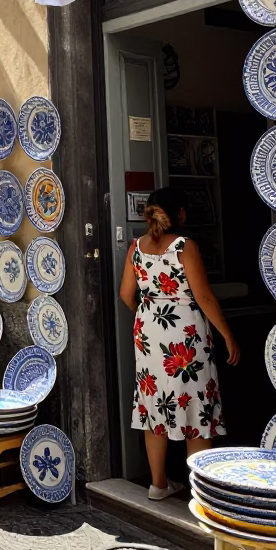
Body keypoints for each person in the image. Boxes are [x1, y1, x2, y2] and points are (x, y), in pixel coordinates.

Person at [118, 187, 240, 501]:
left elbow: (125, 295)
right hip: (184, 336)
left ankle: (158, 484)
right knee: (194, 406)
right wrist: (227, 335)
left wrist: (151, 314)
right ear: (181, 214)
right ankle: (201, 490)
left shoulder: (136, 247)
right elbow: (205, 297)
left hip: (148, 334)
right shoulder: (185, 246)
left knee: (155, 403)